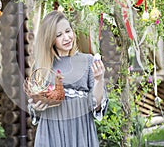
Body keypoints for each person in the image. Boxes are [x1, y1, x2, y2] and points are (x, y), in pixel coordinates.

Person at [27, 10, 109, 147]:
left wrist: (99, 80)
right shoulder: (42, 66)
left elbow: (97, 106)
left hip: (80, 131)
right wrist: (36, 106)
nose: (66, 38)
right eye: (59, 35)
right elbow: (34, 106)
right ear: (50, 39)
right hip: (51, 131)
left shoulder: (88, 61)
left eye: (68, 31)